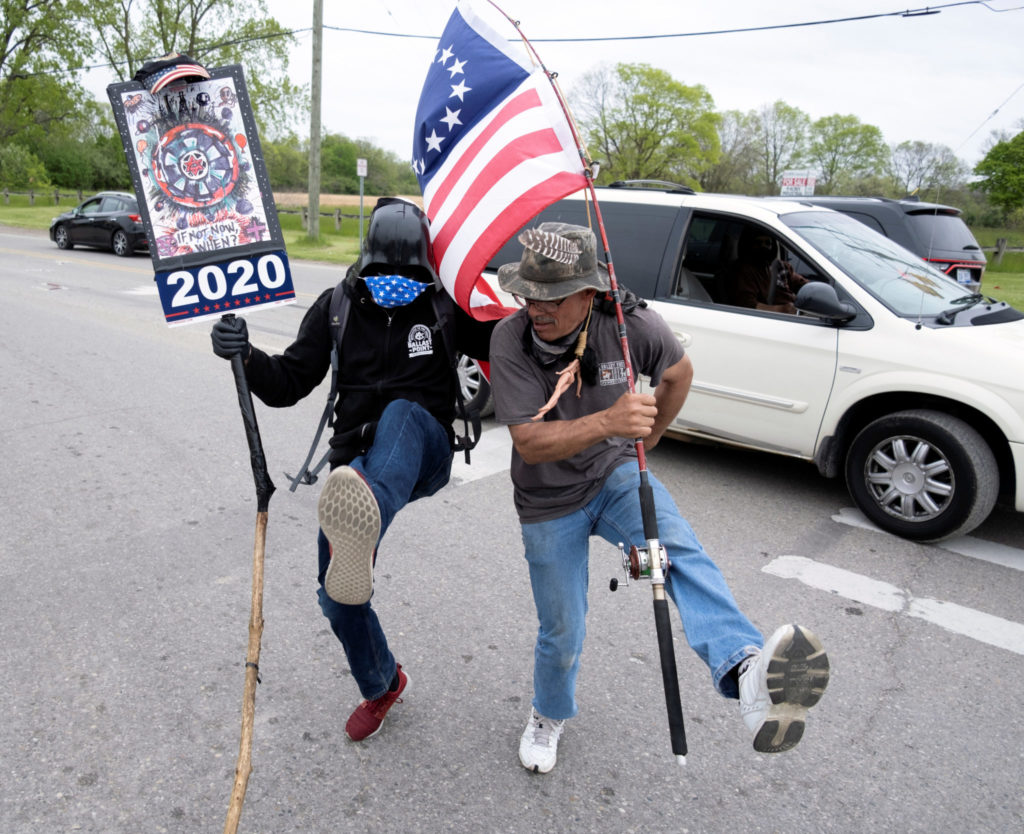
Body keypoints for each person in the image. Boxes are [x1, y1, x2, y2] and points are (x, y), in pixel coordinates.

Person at [488, 222, 830, 774]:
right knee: (563, 628)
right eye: (528, 292)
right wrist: (609, 420)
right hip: (547, 499)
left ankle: (747, 675)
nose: (535, 306)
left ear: (589, 293)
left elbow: (679, 374)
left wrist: (644, 440)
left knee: (675, 550)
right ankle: (548, 714)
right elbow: (529, 443)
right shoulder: (509, 339)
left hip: (615, 474)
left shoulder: (630, 324)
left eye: (551, 296)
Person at [211, 198, 495, 741]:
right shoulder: (336, 306)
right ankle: (382, 681)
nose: (395, 281)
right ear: (365, 261)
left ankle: (365, 515)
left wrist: (586, 310)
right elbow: (290, 381)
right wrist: (245, 356)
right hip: (352, 471)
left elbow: (518, 339)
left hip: (423, 451)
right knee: (337, 596)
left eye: (407, 272)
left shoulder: (442, 308)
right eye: (383, 271)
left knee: (401, 414)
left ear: (426, 268)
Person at [724, 226, 810, 313]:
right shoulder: (743, 271)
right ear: (749, 244)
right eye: (758, 243)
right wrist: (782, 310)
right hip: (772, 319)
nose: (763, 246)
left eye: (767, 243)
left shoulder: (781, 266)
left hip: (797, 312)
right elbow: (747, 304)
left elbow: (804, 285)